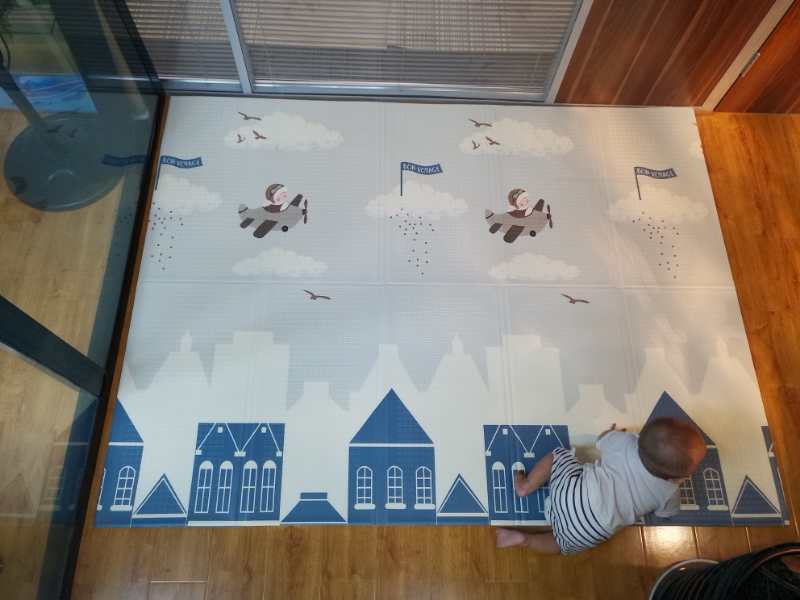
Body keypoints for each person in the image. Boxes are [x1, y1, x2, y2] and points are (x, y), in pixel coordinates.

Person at [495, 418, 707, 555]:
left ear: (640, 438)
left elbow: (602, 438)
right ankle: (524, 540)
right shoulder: (669, 492)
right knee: (560, 545)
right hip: (589, 531)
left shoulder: (624, 443)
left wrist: (612, 433)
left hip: (568, 495)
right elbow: (666, 513)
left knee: (559, 455)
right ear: (675, 476)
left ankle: (526, 486)